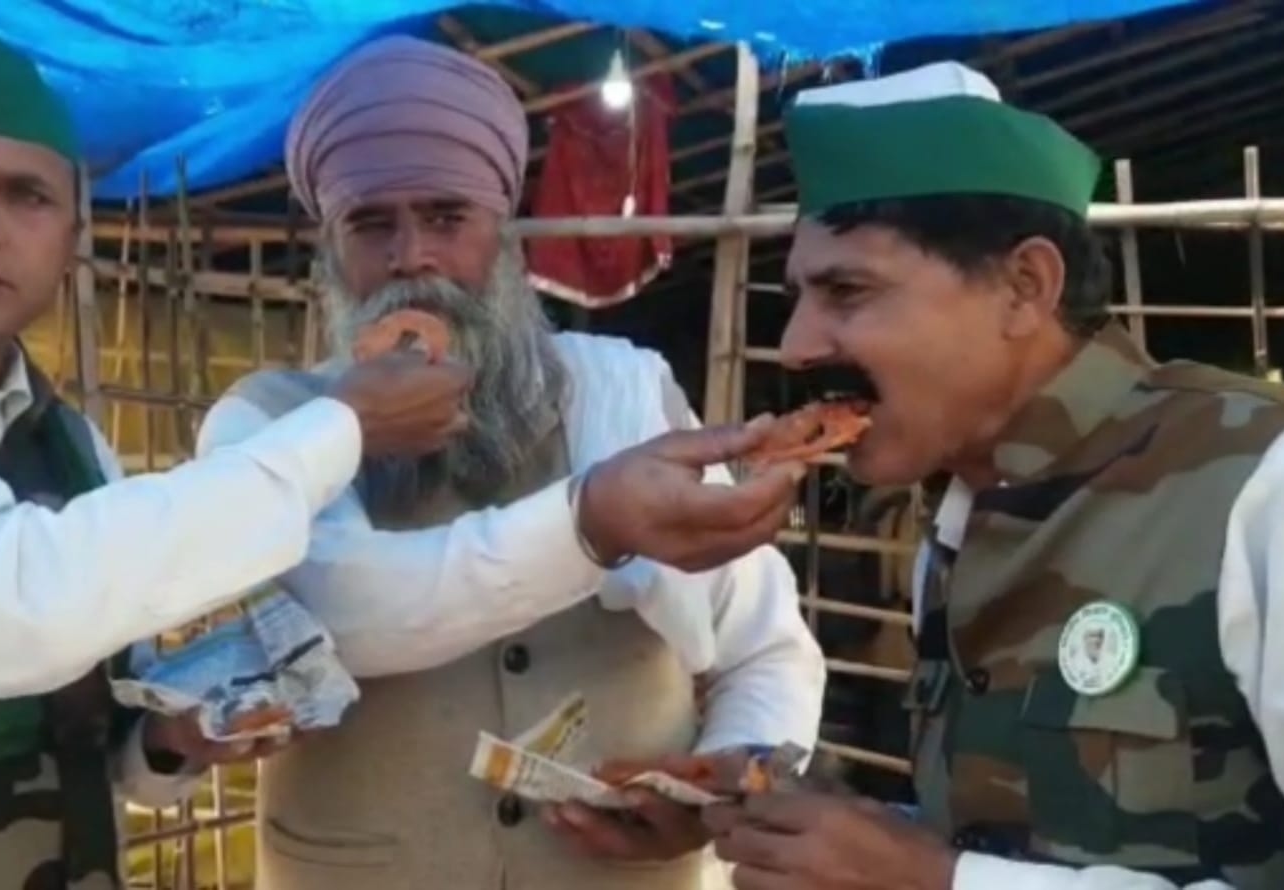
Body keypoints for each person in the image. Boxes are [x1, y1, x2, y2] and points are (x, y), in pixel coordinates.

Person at [0, 35, 470, 889]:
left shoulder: (68, 445)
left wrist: (172, 741)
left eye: (25, 194)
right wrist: (343, 427)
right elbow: (11, 606)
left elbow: (94, 749)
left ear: (71, 235)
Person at [704, 60, 1284, 890]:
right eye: (798, 297)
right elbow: (1030, 843)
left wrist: (940, 883)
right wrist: (814, 830)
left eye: (847, 289)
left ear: (1024, 288)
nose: (796, 346)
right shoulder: (960, 523)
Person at [196, 35, 827, 890]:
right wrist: (591, 523)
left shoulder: (623, 397)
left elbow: (767, 649)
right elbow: (348, 612)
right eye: (371, 223)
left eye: (447, 217)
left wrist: (717, 783)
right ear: (328, 252)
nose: (411, 255)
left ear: (506, 238)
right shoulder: (266, 422)